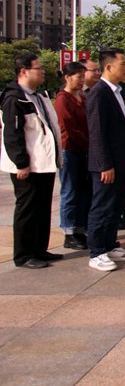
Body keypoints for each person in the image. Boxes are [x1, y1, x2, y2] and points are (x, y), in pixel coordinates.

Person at [1, 53, 63, 269]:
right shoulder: (14, 99)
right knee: (27, 209)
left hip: (43, 163)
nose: (43, 71)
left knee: (42, 208)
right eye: (39, 68)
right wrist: (21, 163)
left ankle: (39, 249)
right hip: (28, 166)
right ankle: (24, 254)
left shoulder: (39, 96)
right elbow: (12, 134)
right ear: (23, 71)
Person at [85, 48, 125, 271]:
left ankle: (110, 244)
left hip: (121, 159)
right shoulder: (99, 93)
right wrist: (104, 164)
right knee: (102, 206)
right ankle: (97, 251)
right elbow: (97, 132)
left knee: (116, 205)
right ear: (108, 67)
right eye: (122, 65)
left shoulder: (118, 91)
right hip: (107, 164)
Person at [55, 62, 90, 250]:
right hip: (70, 150)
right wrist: (86, 142)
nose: (82, 80)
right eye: (78, 76)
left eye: (83, 76)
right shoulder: (63, 99)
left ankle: (79, 229)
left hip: (82, 149)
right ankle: (69, 232)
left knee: (82, 191)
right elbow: (68, 128)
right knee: (69, 190)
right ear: (67, 77)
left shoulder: (82, 97)